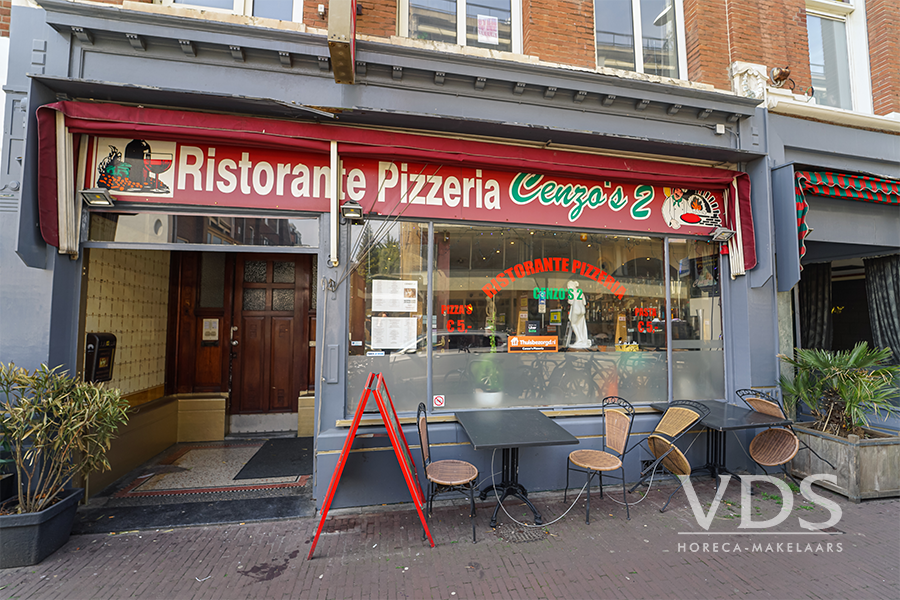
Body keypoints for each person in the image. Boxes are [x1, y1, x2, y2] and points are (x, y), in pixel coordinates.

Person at [567, 280, 591, 348]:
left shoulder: (571, 291)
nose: (568, 288)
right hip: (582, 309)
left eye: (568, 286)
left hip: (576, 308)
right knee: (581, 324)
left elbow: (570, 302)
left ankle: (579, 339)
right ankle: (583, 340)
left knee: (573, 324)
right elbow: (584, 303)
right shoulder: (580, 292)